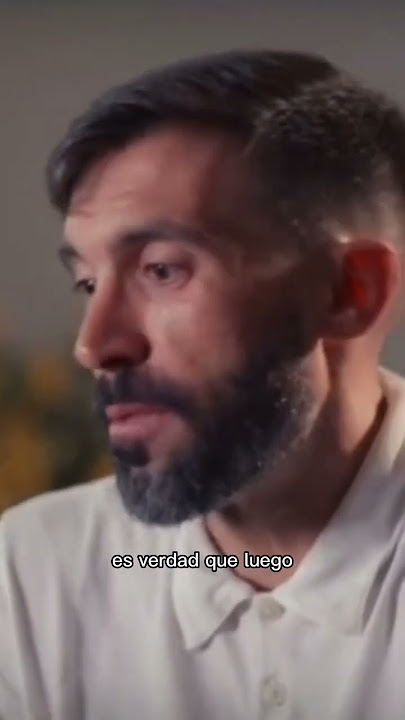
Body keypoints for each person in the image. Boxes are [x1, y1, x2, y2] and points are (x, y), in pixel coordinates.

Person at [2, 49, 405, 720]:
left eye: (162, 270)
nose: (94, 345)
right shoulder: (33, 572)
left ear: (349, 291)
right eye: (88, 283)